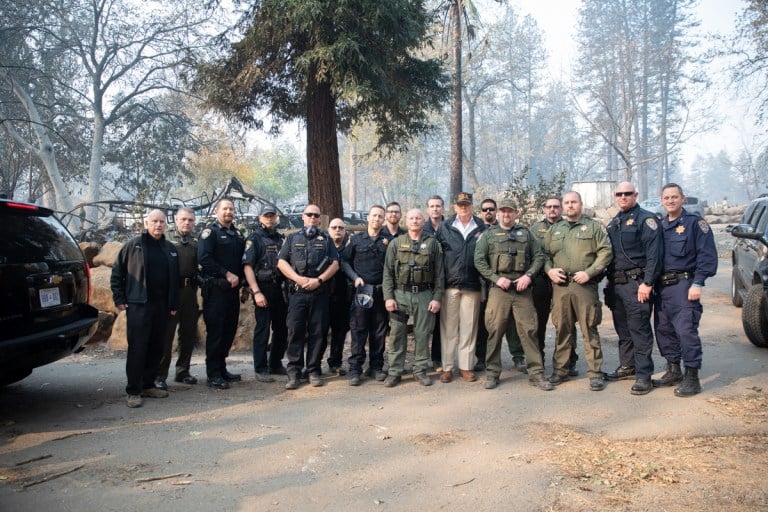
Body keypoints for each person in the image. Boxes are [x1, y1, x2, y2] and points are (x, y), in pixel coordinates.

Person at [474, 198, 553, 391]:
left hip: (522, 289)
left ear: (516, 213)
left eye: (510, 211)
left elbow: (539, 257)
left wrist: (529, 275)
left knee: (529, 331)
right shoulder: (489, 235)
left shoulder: (526, 234)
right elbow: (479, 260)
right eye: (503, 211)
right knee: (494, 330)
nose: (506, 214)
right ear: (498, 213)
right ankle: (492, 373)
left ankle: (536, 374)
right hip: (498, 290)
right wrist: (495, 277)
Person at [542, 191, 613, 391]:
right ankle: (561, 370)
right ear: (563, 206)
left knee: (589, 328)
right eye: (567, 203)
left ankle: (595, 373)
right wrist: (550, 271)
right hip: (561, 286)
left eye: (574, 202)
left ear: (581, 204)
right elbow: (543, 254)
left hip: (584, 285)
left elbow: (606, 252)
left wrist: (590, 273)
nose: (570, 206)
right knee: (562, 329)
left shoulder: (594, 227)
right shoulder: (555, 230)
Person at [653, 183, 718, 396]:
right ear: (661, 201)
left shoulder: (694, 224)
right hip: (662, 287)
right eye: (666, 198)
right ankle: (673, 370)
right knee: (664, 329)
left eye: (674, 197)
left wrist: (698, 283)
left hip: (684, 285)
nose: (670, 201)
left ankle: (692, 378)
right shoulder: (660, 226)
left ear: (683, 199)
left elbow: (707, 256)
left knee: (685, 331)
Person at [111, 209, 179, 408]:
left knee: (156, 346)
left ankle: (148, 384)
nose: (158, 225)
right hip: (139, 305)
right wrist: (119, 297)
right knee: (138, 348)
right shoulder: (134, 245)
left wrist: (173, 303)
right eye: (155, 221)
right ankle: (133, 390)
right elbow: (117, 272)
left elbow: (174, 279)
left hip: (162, 306)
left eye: (162, 222)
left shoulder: (169, 248)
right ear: (146, 223)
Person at [604, 182, 663, 395]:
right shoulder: (614, 222)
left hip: (636, 284)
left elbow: (654, 255)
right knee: (623, 329)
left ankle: (644, 375)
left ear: (635, 195)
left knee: (639, 329)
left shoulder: (646, 220)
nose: (622, 197)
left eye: (627, 194)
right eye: (619, 194)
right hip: (617, 284)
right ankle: (627, 365)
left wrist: (647, 283)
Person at [277, 205, 340, 390]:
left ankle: (313, 370)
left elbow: (335, 264)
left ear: (320, 219)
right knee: (295, 332)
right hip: (297, 293)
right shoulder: (292, 238)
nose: (312, 217)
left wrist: (319, 280)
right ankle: (294, 372)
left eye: (316, 215)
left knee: (318, 333)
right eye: (309, 214)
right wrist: (297, 278)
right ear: (303, 217)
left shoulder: (326, 239)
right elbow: (281, 262)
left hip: (319, 294)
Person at [382, 208, 444, 387]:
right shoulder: (396, 243)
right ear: (406, 221)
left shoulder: (433, 244)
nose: (415, 221)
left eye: (418, 218)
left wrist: (437, 297)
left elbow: (440, 274)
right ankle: (395, 371)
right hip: (400, 295)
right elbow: (387, 273)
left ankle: (420, 370)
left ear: (423, 221)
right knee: (397, 334)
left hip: (424, 295)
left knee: (422, 334)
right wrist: (388, 297)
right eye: (411, 218)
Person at [435, 192, 486, 383]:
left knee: (469, 327)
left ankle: (466, 366)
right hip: (450, 285)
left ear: (472, 206)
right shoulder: (445, 227)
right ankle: (447, 367)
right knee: (448, 328)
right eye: (460, 205)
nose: (463, 207)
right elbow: (438, 258)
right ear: (455, 207)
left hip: (473, 284)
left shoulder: (481, 227)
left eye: (467, 204)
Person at [198, 197, 245, 390]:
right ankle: (213, 374)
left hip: (232, 292)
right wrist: (226, 274)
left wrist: (244, 285)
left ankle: (222, 367)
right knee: (216, 332)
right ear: (217, 211)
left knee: (229, 330)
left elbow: (242, 262)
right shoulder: (210, 233)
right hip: (216, 290)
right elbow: (204, 258)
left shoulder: (237, 234)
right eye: (225, 209)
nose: (228, 212)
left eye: (231, 209)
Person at [341, 205, 390, 386]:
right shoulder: (355, 240)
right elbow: (344, 261)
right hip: (362, 290)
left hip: (381, 291)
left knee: (379, 330)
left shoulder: (388, 241)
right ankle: (355, 369)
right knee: (359, 329)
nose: (377, 219)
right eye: (374, 215)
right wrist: (355, 278)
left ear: (383, 220)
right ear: (368, 218)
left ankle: (376, 367)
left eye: (380, 216)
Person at [530, 197, 578, 375]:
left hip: (564, 279)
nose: (552, 210)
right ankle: (538, 360)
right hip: (542, 279)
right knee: (538, 321)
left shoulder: (570, 227)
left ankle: (569, 360)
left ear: (561, 209)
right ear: (544, 209)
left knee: (566, 321)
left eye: (556, 207)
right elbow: (534, 254)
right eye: (549, 207)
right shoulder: (535, 229)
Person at [243, 204, 288, 383]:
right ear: (260, 218)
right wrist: (256, 291)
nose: (269, 219)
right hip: (263, 288)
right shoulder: (254, 239)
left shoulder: (280, 239)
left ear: (276, 218)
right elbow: (247, 266)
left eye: (272, 216)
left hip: (280, 288)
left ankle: (275, 363)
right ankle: (260, 368)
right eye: (266, 216)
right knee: (263, 329)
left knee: (282, 329)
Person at [155, 207, 199, 390]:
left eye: (190, 220)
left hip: (190, 291)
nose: (187, 223)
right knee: (166, 335)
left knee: (188, 334)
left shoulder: (196, 241)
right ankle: (159, 375)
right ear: (175, 219)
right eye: (183, 219)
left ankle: (183, 371)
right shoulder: (165, 239)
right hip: (170, 292)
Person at [322, 218, 351, 375]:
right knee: (319, 332)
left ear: (345, 230)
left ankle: (335, 363)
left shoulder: (349, 249)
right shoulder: (322, 248)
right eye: (334, 227)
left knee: (339, 333)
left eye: (341, 227)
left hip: (343, 298)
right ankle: (313, 365)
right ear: (328, 229)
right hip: (323, 297)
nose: (337, 230)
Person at [474, 198, 497, 372]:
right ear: (480, 212)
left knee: (508, 322)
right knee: (481, 323)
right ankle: (481, 357)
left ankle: (517, 356)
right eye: (484, 209)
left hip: (501, 282)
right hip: (481, 282)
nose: (488, 212)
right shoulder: (475, 230)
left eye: (491, 209)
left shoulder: (503, 228)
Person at [423, 195, 445, 369]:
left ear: (443, 208)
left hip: (446, 279)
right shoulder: (422, 228)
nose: (435, 209)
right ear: (428, 209)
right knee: (424, 323)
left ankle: (438, 358)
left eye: (438, 206)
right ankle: (421, 359)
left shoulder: (450, 227)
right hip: (425, 281)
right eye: (432, 206)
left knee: (441, 323)